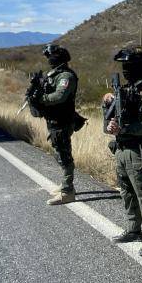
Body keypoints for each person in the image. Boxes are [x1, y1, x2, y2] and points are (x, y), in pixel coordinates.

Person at [103, 46, 142, 256]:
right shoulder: (125, 90)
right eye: (124, 66)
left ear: (141, 66)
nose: (126, 70)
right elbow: (110, 122)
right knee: (127, 192)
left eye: (130, 66)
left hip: (138, 151)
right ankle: (133, 229)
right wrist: (107, 106)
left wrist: (126, 129)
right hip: (121, 148)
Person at [38, 44, 79, 206]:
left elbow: (59, 96)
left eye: (50, 57)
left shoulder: (66, 77)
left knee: (64, 154)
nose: (49, 60)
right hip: (54, 120)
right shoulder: (54, 74)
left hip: (63, 120)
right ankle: (66, 184)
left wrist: (42, 98)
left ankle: (68, 192)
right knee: (58, 152)